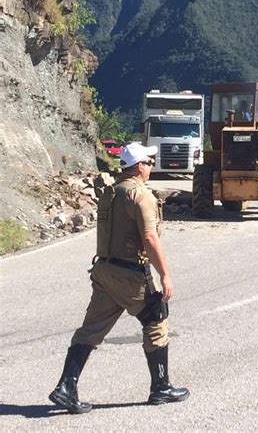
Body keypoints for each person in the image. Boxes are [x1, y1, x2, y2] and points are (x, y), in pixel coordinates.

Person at [49, 142, 189, 414]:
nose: (151, 166)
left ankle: (66, 386)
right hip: (130, 273)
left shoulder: (110, 193)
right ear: (139, 167)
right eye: (148, 162)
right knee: (156, 317)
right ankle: (161, 387)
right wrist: (165, 275)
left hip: (104, 271)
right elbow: (149, 237)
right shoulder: (140, 195)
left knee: (90, 330)